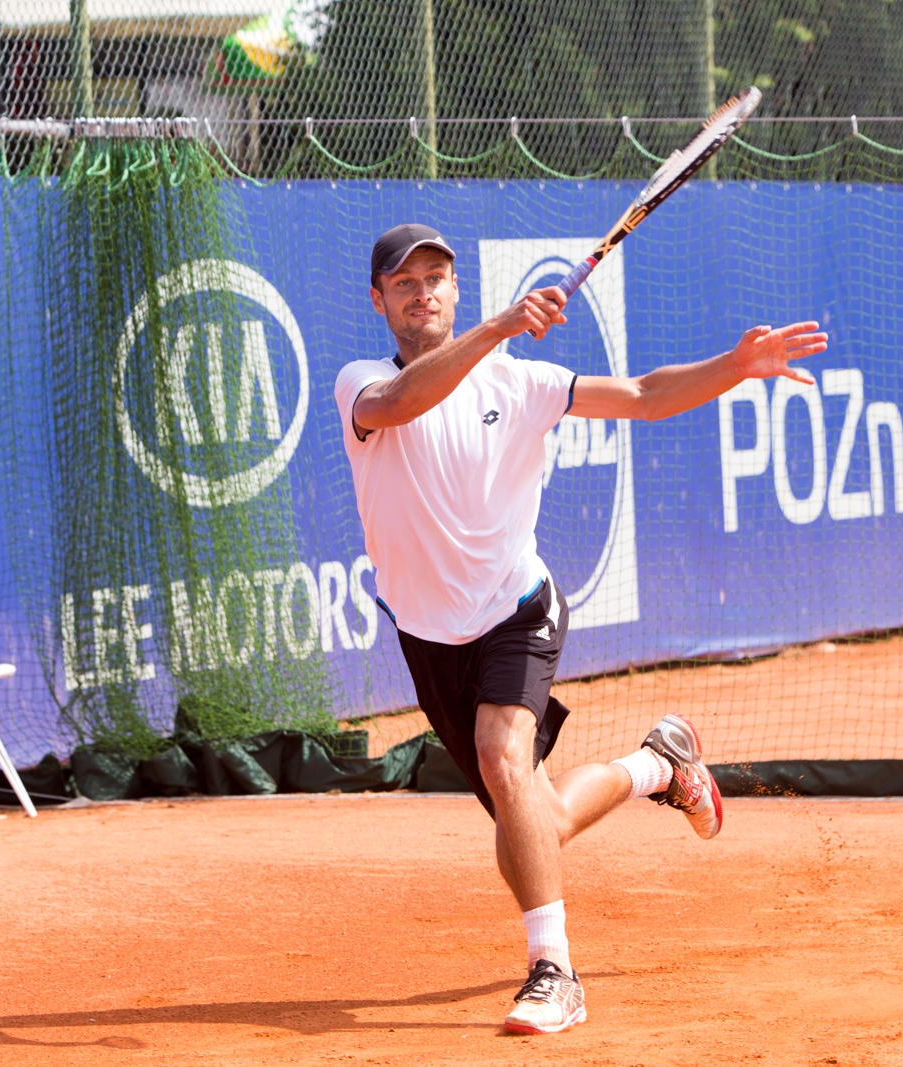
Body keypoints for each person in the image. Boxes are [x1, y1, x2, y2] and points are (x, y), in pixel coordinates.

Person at [334, 223, 827, 1035]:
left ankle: (554, 972)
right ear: (379, 300)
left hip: (516, 609)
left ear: (456, 289)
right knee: (537, 818)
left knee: (502, 755)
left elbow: (642, 395)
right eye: (405, 282)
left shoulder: (522, 383)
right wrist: (499, 326)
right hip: (429, 636)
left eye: (437, 278)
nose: (423, 292)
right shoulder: (362, 382)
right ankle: (660, 765)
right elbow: (402, 404)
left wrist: (736, 366)